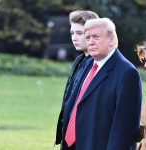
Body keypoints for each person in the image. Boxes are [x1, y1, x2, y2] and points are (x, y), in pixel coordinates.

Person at [61, 18, 142, 150]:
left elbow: (125, 128)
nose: (91, 42)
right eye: (87, 38)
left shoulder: (127, 73)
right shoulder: (88, 64)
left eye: (96, 37)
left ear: (112, 40)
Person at [55, 10, 99, 147]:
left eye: (79, 33)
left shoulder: (98, 65)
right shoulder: (79, 60)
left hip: (85, 136)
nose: (74, 38)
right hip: (68, 132)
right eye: (72, 33)